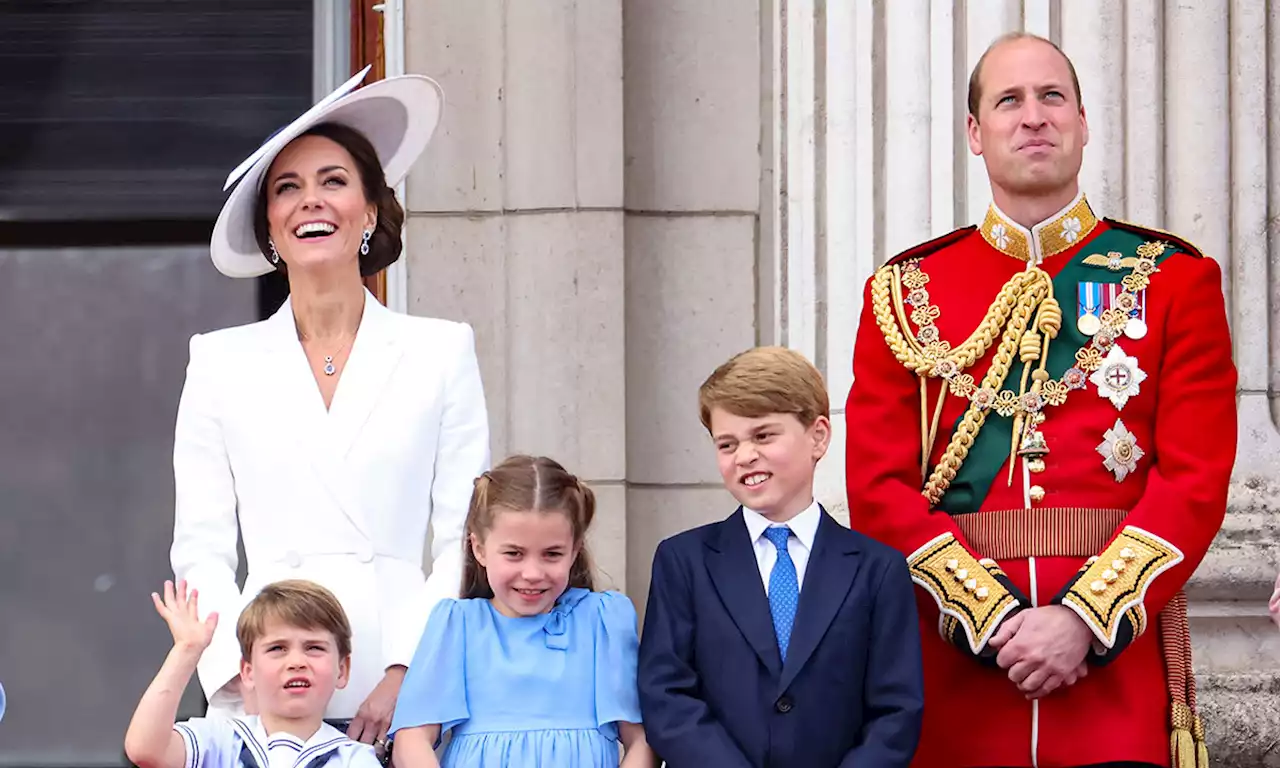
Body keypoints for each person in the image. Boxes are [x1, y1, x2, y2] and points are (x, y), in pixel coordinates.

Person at [844, 32, 1237, 768]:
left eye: (1052, 97)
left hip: (1110, 682)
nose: (1034, 117)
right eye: (1009, 101)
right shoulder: (904, 293)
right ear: (975, 133)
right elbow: (877, 488)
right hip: (957, 681)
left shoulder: (1173, 280)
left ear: (1083, 124)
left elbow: (1194, 479)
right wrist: (991, 618)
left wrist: (1083, 621)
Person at [169, 66, 490, 757]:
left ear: (370, 210)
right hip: (262, 687)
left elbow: (462, 538)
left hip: (402, 695)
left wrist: (411, 672)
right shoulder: (218, 361)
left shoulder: (441, 351)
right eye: (288, 188)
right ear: (271, 232)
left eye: (334, 181)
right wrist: (235, 679)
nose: (310, 201)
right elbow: (200, 548)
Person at [638, 346, 924, 767]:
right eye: (727, 444)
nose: (745, 455)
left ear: (818, 436)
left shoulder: (876, 569)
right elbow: (667, 694)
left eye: (763, 435)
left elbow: (896, 710)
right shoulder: (684, 561)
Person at [389, 455, 656, 768]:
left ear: (574, 550)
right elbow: (412, 740)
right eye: (514, 553)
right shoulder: (457, 625)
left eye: (552, 554)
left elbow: (642, 740)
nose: (532, 572)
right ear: (479, 548)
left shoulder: (603, 621)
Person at [124, 579, 379, 768]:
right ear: (248, 672)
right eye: (278, 648)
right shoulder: (221, 741)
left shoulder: (352, 759)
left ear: (342, 670)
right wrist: (187, 650)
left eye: (314, 648)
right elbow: (145, 749)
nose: (296, 661)